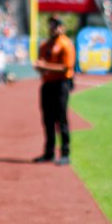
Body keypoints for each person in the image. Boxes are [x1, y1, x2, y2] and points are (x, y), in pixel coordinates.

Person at [33, 15, 76, 165]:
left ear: (62, 27)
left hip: (61, 84)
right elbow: (41, 66)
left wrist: (44, 66)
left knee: (61, 119)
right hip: (47, 84)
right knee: (47, 119)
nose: (53, 27)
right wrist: (40, 68)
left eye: (56, 25)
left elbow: (66, 68)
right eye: (51, 24)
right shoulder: (45, 45)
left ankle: (65, 152)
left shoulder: (65, 44)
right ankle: (49, 152)